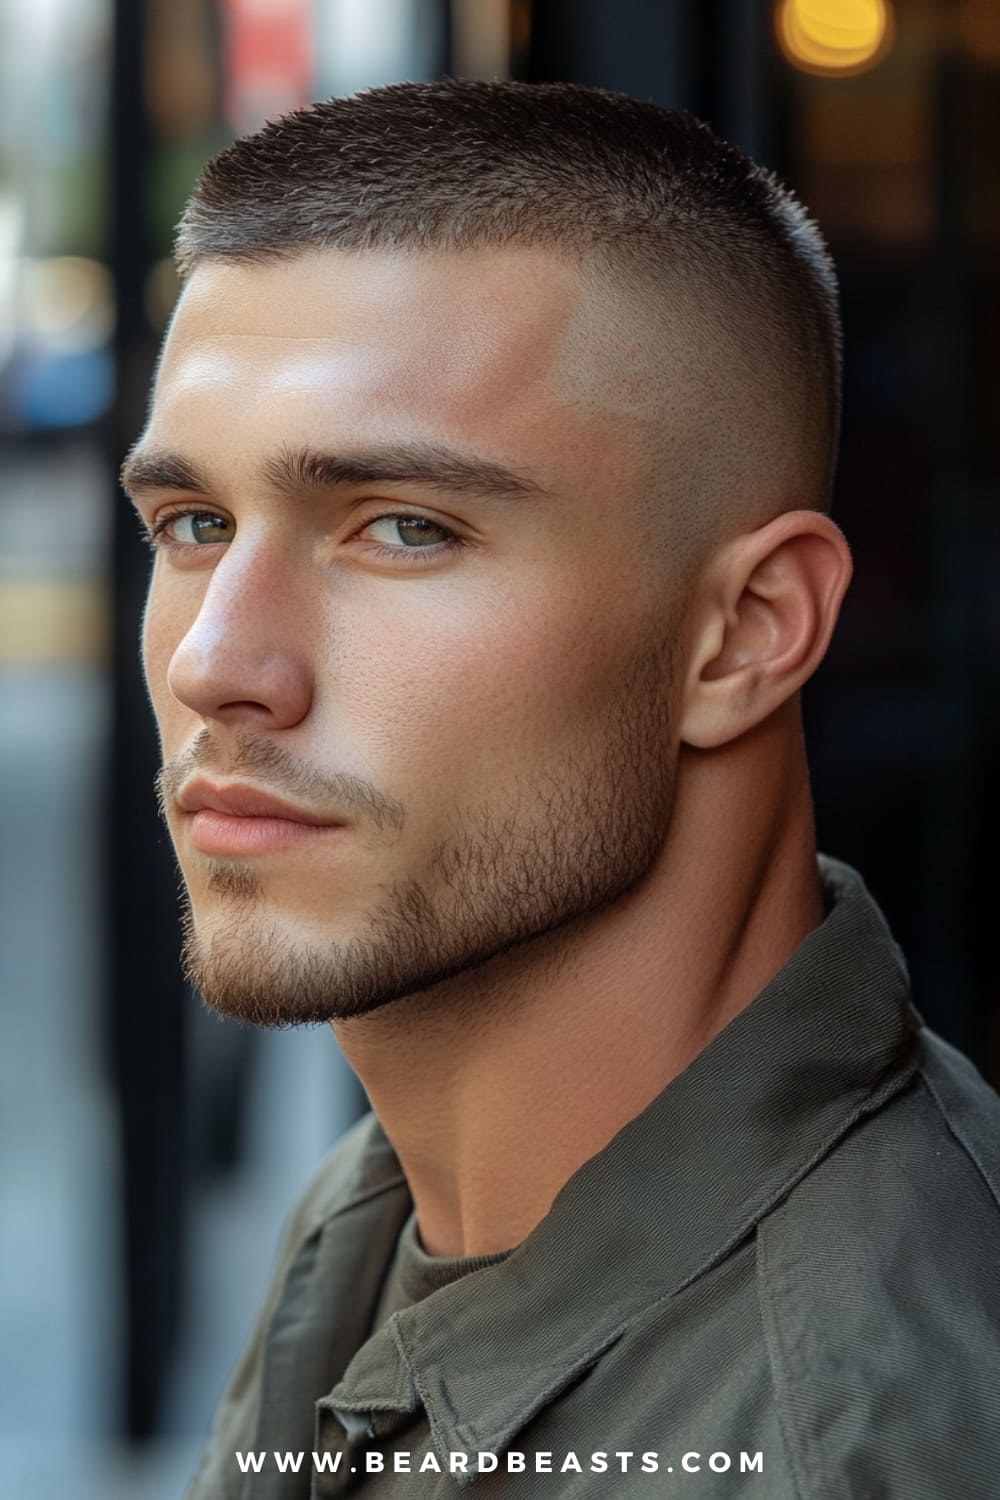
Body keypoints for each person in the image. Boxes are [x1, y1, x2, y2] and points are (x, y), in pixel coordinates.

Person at [121, 80, 1000, 1498]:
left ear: (750, 631)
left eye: (404, 528)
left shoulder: (853, 1433)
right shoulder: (404, 1207)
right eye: (194, 524)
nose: (220, 661)